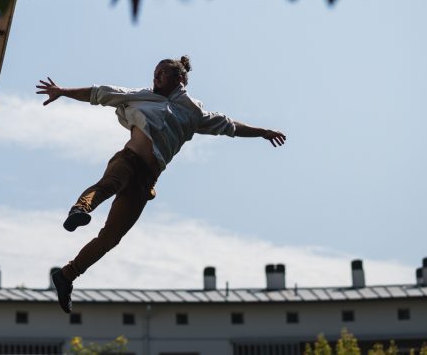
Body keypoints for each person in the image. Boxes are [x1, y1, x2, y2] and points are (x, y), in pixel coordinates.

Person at [36, 56, 286, 313]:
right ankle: (80, 210)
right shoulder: (140, 96)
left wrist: (262, 132)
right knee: (110, 183)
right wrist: (62, 92)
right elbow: (100, 93)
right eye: (154, 73)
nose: (155, 78)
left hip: (146, 180)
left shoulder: (194, 111)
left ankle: (66, 276)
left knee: (111, 238)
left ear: (178, 78)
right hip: (129, 158)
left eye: (161, 74)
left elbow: (229, 126)